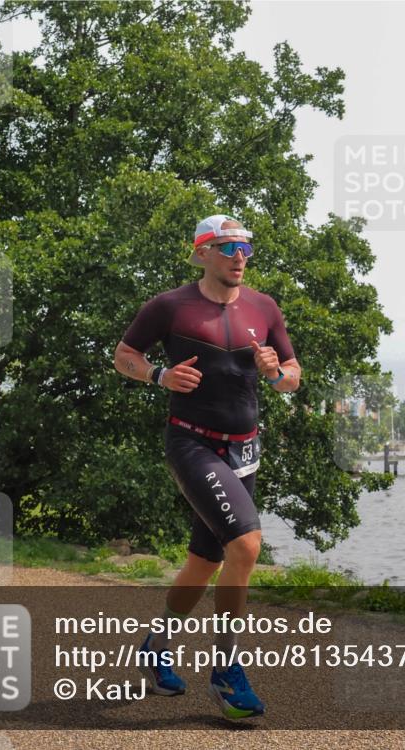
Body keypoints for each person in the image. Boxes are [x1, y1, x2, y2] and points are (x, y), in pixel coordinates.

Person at [114, 214, 300, 720]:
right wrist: (158, 375)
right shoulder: (170, 306)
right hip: (193, 444)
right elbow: (124, 354)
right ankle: (226, 669)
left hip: (246, 450)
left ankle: (156, 647)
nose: (239, 256)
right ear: (200, 253)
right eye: (226, 247)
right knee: (246, 544)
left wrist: (277, 372)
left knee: (204, 561)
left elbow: (293, 376)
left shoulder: (264, 307)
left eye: (246, 248)